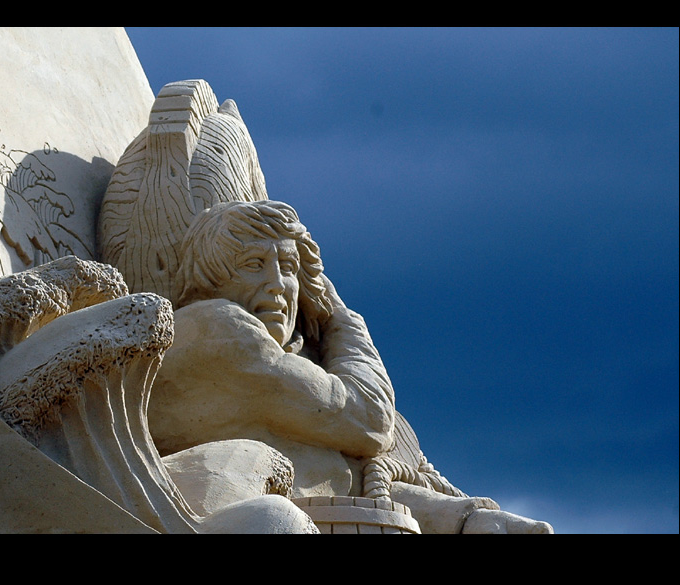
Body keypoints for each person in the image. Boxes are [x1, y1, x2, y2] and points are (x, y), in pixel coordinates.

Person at [148, 200, 552, 533]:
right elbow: (369, 419)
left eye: (288, 268)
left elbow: (339, 477)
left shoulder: (276, 366)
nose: (277, 284)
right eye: (253, 264)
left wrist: (466, 518)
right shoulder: (217, 328)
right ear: (211, 276)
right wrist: (341, 319)